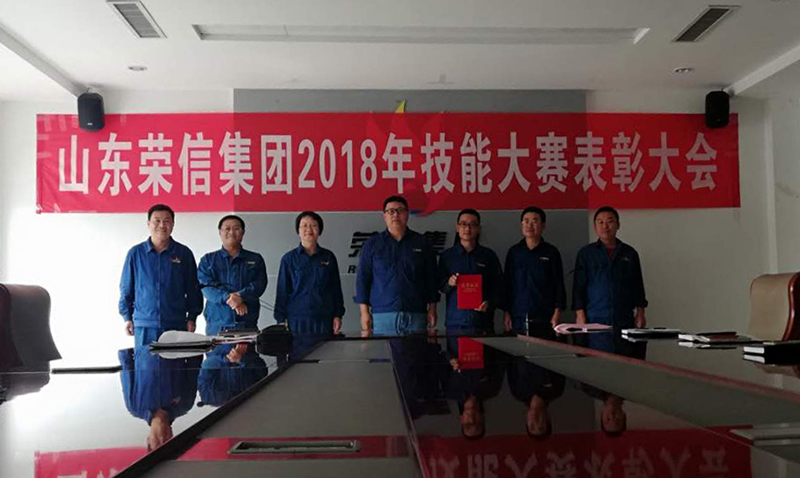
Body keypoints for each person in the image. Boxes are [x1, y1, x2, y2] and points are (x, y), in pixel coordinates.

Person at [119, 204, 203, 347]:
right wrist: (127, 317)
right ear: (148, 224)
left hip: (176, 323)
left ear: (173, 224)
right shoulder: (136, 253)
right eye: (157, 221)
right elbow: (126, 288)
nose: (162, 225)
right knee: (146, 361)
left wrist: (192, 317)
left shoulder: (183, 253)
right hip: (145, 324)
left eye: (167, 221)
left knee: (174, 361)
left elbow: (193, 288)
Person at [355, 196, 439, 336]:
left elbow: (431, 279)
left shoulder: (422, 243)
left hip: (416, 314)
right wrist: (364, 313)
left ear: (407, 214)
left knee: (417, 350)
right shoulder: (372, 245)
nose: (395, 215)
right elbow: (363, 279)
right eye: (391, 211)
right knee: (384, 351)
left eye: (400, 210)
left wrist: (432, 309)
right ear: (384, 216)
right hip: (383, 316)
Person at [572, 206, 648, 329]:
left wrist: (640, 313)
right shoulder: (586, 254)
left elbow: (637, 285)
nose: (605, 226)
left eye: (610, 221)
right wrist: (580, 315)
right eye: (600, 222)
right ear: (595, 226)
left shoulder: (629, 253)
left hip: (623, 317)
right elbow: (578, 287)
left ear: (618, 225)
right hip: (594, 317)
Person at [274, 211, 345, 337]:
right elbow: (282, 291)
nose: (309, 229)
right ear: (298, 231)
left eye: (313, 225)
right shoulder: (288, 259)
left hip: (324, 318)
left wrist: (338, 315)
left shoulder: (328, 256)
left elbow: (335, 288)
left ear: (319, 230)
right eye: (304, 226)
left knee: (324, 350)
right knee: (298, 350)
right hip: (297, 319)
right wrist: (280, 320)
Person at [197, 215, 267, 336]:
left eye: (236, 228)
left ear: (243, 233)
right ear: (220, 232)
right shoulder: (208, 260)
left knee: (247, 348)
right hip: (218, 324)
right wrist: (229, 298)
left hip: (247, 322)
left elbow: (259, 284)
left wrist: (241, 296)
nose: (231, 232)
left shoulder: (255, 259)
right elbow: (206, 287)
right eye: (227, 229)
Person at [438, 209, 503, 335]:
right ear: (457, 227)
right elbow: (440, 285)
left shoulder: (488, 256)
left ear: (478, 229)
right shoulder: (447, 256)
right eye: (463, 224)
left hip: (483, 323)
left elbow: (499, 287)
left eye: (472, 224)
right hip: (456, 322)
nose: (467, 228)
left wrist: (489, 304)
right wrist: (449, 283)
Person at [503, 206, 566, 335]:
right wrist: (506, 312)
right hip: (518, 316)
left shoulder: (551, 252)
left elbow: (558, 284)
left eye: (534, 221)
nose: (529, 225)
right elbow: (508, 284)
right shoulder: (514, 252)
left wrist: (557, 312)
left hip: (545, 316)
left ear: (543, 226)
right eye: (526, 221)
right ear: (521, 225)